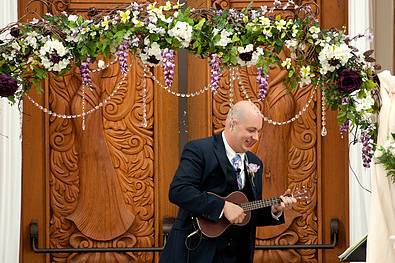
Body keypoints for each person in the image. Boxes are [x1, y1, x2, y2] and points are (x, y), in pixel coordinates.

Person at [159, 100, 296, 263]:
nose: (256, 137)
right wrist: (222, 207)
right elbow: (179, 191)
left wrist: (273, 210)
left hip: (238, 255)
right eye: (251, 130)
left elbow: (246, 212)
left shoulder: (255, 162)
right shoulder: (199, 150)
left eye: (258, 131)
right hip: (196, 252)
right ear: (232, 124)